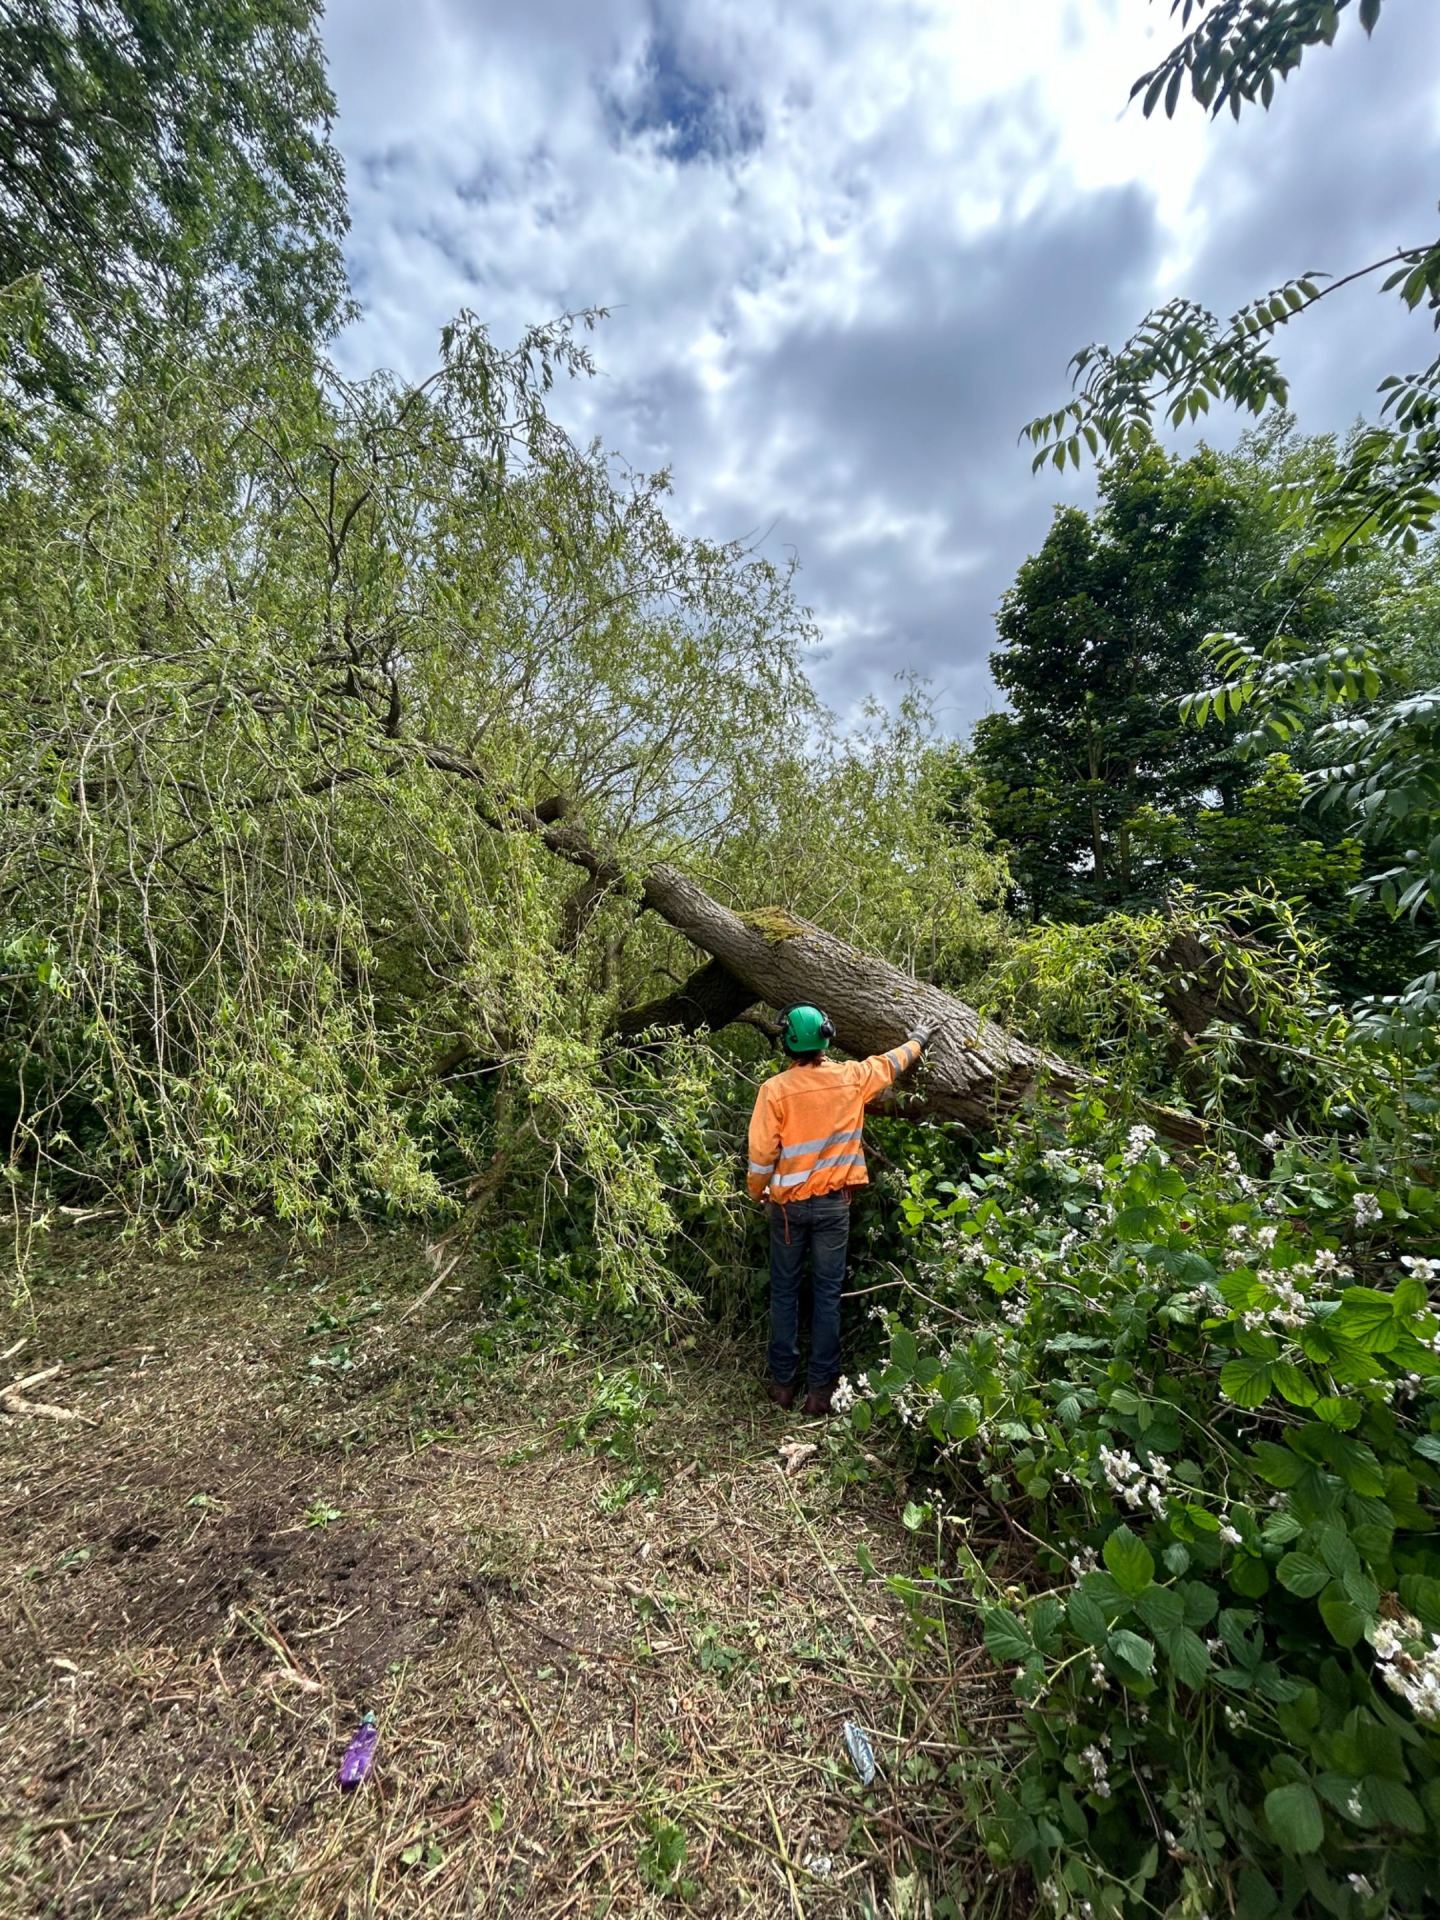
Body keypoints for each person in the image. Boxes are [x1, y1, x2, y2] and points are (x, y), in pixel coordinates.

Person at [747, 1004, 933, 1415]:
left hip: (787, 1212)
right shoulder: (851, 1078)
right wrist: (919, 1037)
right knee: (828, 1296)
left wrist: (757, 1192)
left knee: (785, 1293)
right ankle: (821, 1393)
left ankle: (782, 1385)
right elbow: (891, 1063)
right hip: (834, 1208)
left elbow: (761, 1156)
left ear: (788, 1043)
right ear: (827, 1038)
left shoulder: (774, 1091)